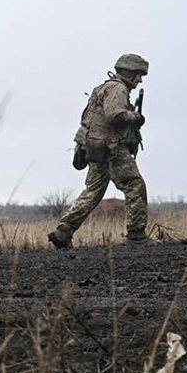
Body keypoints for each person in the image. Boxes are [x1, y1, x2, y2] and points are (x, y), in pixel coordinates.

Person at [49, 54, 150, 249]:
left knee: (93, 192)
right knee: (135, 185)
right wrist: (136, 117)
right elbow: (115, 116)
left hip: (97, 149)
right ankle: (137, 236)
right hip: (111, 149)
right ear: (129, 73)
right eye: (138, 75)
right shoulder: (118, 89)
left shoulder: (102, 88)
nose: (140, 80)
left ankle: (63, 231)